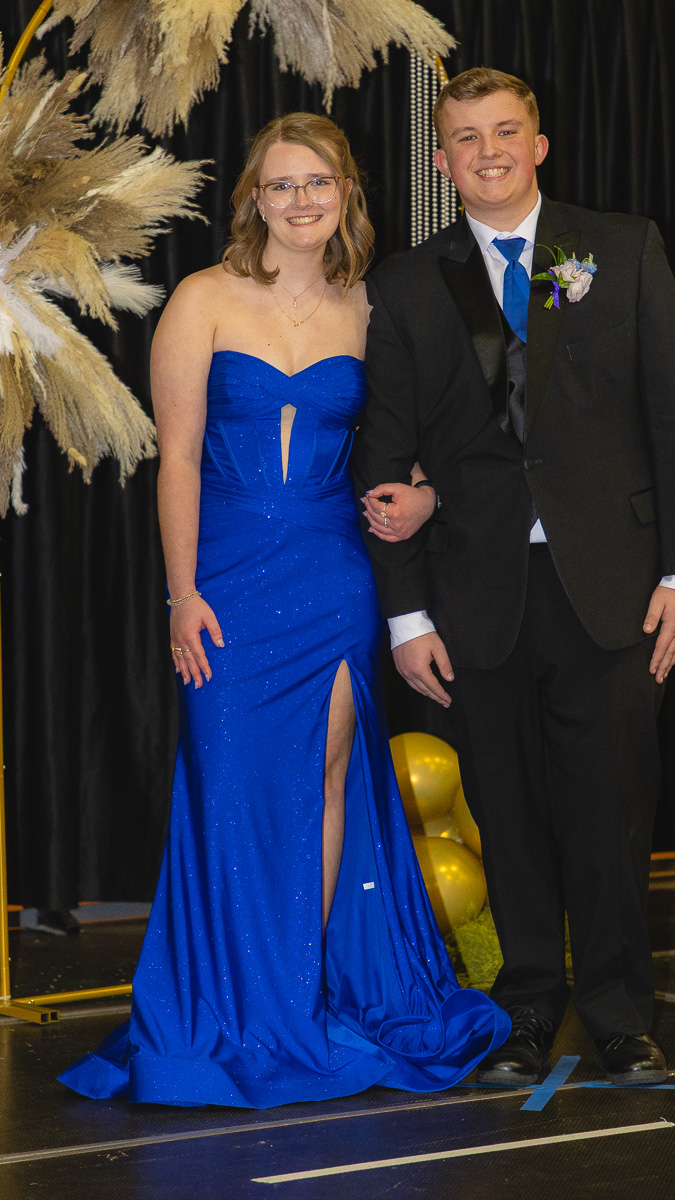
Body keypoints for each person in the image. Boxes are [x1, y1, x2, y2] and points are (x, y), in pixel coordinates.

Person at [58, 112, 509, 1108]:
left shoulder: (369, 306)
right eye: (280, 185)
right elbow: (171, 459)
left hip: (333, 573)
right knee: (230, 791)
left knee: (326, 782)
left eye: (318, 184)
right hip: (225, 573)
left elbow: (428, 434)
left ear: (345, 192)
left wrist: (424, 492)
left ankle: (296, 995)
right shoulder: (204, 299)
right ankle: (239, 1001)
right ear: (252, 199)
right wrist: (182, 596)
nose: (300, 201)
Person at [354, 68, 675, 1087]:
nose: (487, 152)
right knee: (504, 815)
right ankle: (520, 1015)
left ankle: (617, 1018)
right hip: (476, 599)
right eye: (463, 139)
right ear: (439, 160)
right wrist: (406, 615)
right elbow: (385, 456)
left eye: (503, 132)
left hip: (612, 590)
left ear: (539, 143)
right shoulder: (407, 283)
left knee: (609, 815)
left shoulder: (616, 248)